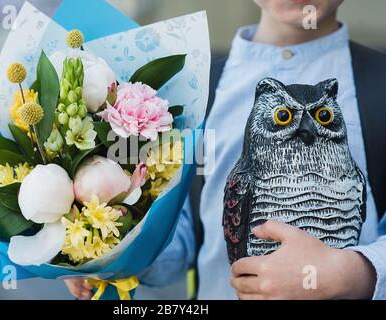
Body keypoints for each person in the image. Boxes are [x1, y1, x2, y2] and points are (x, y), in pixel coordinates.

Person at [65, 0, 386, 300]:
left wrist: (354, 273)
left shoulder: (378, 84)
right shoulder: (193, 91)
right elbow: (180, 241)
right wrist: (113, 254)